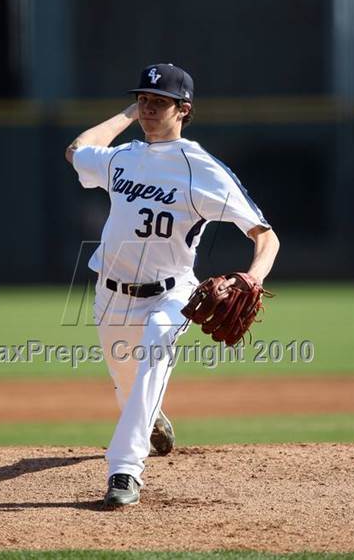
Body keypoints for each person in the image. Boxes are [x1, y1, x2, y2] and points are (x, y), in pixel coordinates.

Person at [65, 63, 279, 507]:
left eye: (158, 102)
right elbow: (77, 150)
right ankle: (150, 418)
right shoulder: (122, 157)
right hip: (110, 294)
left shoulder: (201, 169)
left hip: (171, 294)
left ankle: (124, 470)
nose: (148, 108)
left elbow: (265, 235)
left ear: (183, 109)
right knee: (129, 387)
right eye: (143, 99)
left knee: (153, 354)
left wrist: (253, 277)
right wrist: (126, 115)